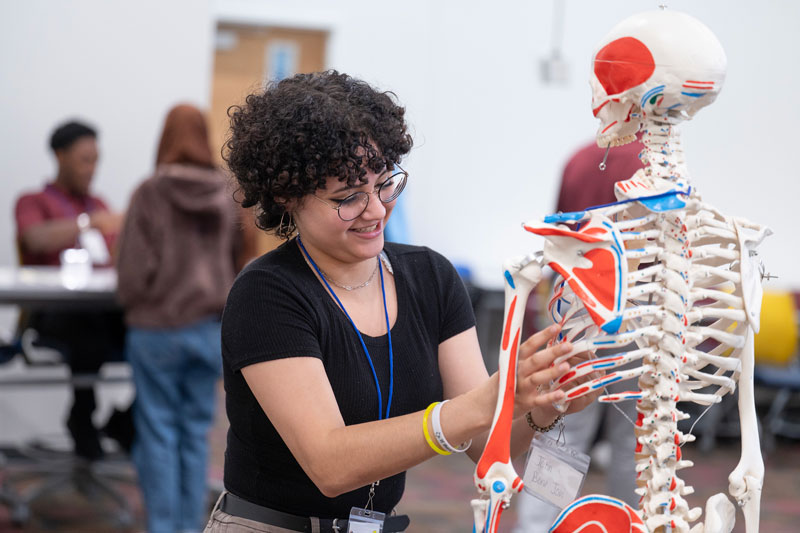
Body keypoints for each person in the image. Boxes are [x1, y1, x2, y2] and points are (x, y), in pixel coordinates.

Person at [204, 70, 596, 533]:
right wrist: (490, 398)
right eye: (347, 198)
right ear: (288, 195)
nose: (376, 210)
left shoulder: (430, 277)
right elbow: (330, 464)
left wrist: (543, 403)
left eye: (385, 184)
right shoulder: (267, 294)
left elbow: (487, 445)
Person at [116, 104, 240, 533]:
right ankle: (191, 527)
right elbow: (240, 263)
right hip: (208, 331)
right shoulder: (227, 194)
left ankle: (163, 526)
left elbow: (133, 272)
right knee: (194, 434)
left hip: (156, 332)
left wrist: (134, 301)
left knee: (158, 434)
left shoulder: (149, 192)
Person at [513, 135, 645, 532]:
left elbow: (559, 240)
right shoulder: (652, 166)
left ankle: (535, 527)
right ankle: (631, 524)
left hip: (575, 309)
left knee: (559, 436)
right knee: (632, 444)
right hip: (638, 311)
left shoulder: (581, 161)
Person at [14, 120, 126, 461]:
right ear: (59, 156)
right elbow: (34, 238)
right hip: (52, 316)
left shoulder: (100, 204)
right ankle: (83, 417)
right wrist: (87, 223)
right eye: (84, 159)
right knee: (86, 321)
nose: (92, 169)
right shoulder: (33, 202)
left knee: (159, 330)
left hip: (102, 311)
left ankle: (124, 421)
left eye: (96, 160)